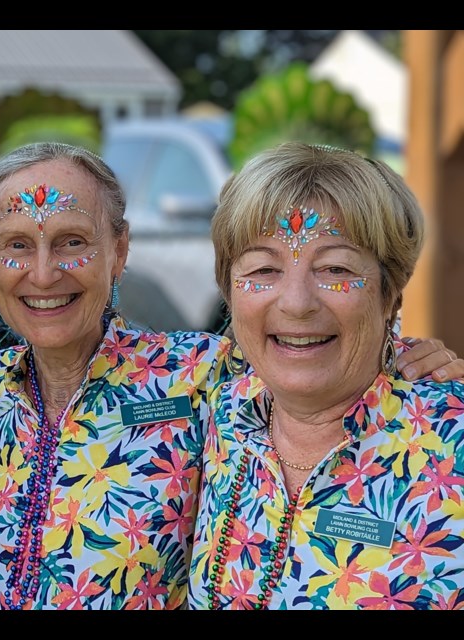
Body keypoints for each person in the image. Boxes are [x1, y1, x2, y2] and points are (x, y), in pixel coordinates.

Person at [0, 141, 464, 610]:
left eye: (335, 269)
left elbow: (318, 358)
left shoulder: (197, 377)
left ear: (119, 251)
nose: (45, 272)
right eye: (17, 245)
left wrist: (413, 358)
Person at [187, 141, 464, 609]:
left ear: (390, 291)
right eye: (263, 268)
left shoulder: (452, 442)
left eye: (335, 268)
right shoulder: (207, 412)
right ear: (229, 293)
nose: (296, 303)